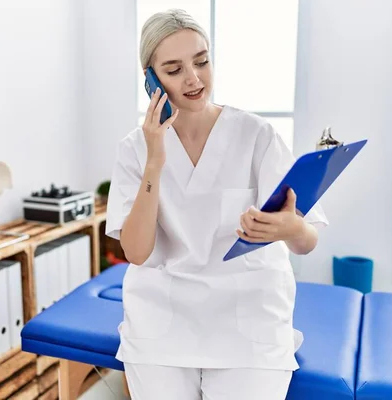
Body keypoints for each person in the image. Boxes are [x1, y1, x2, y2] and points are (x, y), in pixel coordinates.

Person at [105, 9, 329, 400]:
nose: (193, 79)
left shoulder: (256, 134)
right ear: (151, 80)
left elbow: (306, 240)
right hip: (162, 315)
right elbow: (137, 252)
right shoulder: (134, 150)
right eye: (174, 69)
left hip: (249, 312)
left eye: (202, 61)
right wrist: (155, 159)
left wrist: (290, 228)